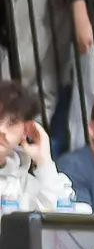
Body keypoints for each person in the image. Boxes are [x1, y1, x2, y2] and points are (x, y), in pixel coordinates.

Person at [0, 78, 69, 213]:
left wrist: (44, 162)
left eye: (12, 122)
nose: (2, 130)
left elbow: (65, 218)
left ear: (25, 131)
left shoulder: (24, 184)